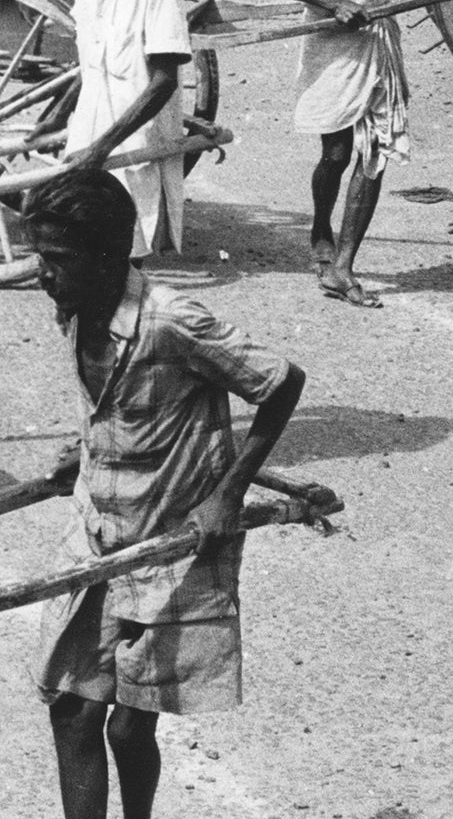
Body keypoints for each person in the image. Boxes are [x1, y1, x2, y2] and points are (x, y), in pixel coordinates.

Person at [26, 167, 304, 819]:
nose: (43, 274)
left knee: (128, 726)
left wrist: (228, 495)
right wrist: (86, 448)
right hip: (97, 533)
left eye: (56, 260)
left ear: (106, 258)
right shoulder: (73, 306)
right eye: (39, 256)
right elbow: (119, 405)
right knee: (72, 708)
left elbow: (281, 382)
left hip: (169, 547)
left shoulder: (171, 319)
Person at [253, 0, 412, 307]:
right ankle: (321, 224)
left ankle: (342, 266)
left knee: (375, 153)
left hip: (379, 36)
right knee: (336, 154)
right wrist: (331, 2)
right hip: (334, 42)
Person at [56, 0, 194, 259]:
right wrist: (61, 114)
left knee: (125, 253)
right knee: (83, 248)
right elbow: (92, 56)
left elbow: (164, 78)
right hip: (90, 129)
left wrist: (104, 147)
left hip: (135, 136)